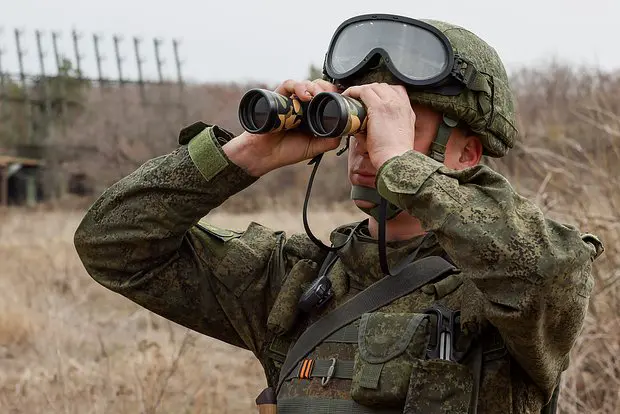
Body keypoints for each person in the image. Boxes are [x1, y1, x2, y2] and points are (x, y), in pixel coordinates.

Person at [74, 14, 604, 414]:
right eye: (360, 126)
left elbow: (553, 271)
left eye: (395, 125)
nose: (367, 146)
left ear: (467, 154)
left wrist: (403, 166)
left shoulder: (499, 290)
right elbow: (111, 244)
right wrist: (245, 155)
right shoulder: (295, 280)